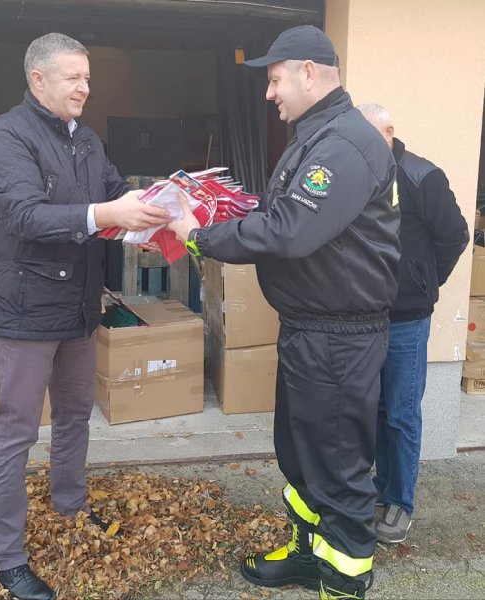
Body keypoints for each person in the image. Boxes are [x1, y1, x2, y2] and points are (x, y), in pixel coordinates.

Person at [169, 25, 400, 600]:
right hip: (310, 331)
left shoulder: (344, 145)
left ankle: (343, 582)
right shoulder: (318, 136)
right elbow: (284, 214)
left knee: (338, 466)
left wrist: (202, 235)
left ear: (309, 73)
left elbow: (291, 229)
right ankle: (307, 555)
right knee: (301, 455)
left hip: (338, 339)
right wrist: (222, 212)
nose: (269, 93)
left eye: (275, 79)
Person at [0, 33, 169, 600]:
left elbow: (114, 194)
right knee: (15, 431)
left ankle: (70, 504)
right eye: (73, 78)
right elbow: (25, 215)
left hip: (80, 306)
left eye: (87, 78)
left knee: (75, 415)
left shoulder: (86, 140)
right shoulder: (7, 136)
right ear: (38, 79)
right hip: (26, 309)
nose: (85, 88)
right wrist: (109, 213)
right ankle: (7, 555)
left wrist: (157, 215)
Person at [357, 103, 469, 544]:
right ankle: (381, 487)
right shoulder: (359, 174)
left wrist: (424, 282)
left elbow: (455, 235)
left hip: (407, 319)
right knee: (376, 410)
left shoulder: (423, 176)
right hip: (365, 317)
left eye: (368, 137)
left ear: (389, 132)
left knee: (402, 413)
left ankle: (400, 503)